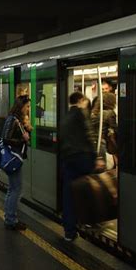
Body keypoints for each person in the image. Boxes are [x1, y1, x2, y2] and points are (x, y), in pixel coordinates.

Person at [59, 92, 97, 241]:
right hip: (84, 158)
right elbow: (89, 135)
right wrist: (96, 157)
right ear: (81, 101)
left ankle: (69, 231)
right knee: (88, 189)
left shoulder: (64, 117)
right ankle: (89, 221)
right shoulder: (82, 115)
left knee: (68, 195)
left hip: (68, 159)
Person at [1, 95, 30, 231]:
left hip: (13, 157)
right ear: (21, 106)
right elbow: (6, 138)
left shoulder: (15, 119)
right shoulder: (13, 120)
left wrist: (26, 129)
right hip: (13, 158)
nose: (28, 109)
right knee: (16, 189)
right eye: (27, 106)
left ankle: (9, 217)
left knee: (12, 189)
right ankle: (11, 220)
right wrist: (22, 140)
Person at [90, 92, 118, 169]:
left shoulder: (93, 113)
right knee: (101, 169)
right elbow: (113, 131)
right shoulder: (110, 113)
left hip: (91, 144)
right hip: (101, 143)